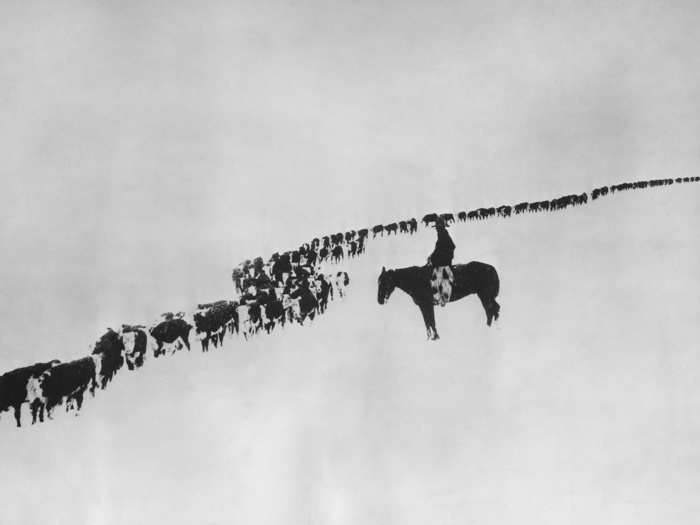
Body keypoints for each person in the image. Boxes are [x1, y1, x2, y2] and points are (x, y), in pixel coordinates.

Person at [427, 218, 455, 307]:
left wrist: (434, 258)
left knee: (437, 278)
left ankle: (442, 299)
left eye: (437, 227)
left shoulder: (443, 235)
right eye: (436, 227)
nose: (436, 229)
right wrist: (431, 257)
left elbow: (445, 249)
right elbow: (438, 249)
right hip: (444, 260)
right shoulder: (442, 234)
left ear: (440, 227)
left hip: (445, 262)